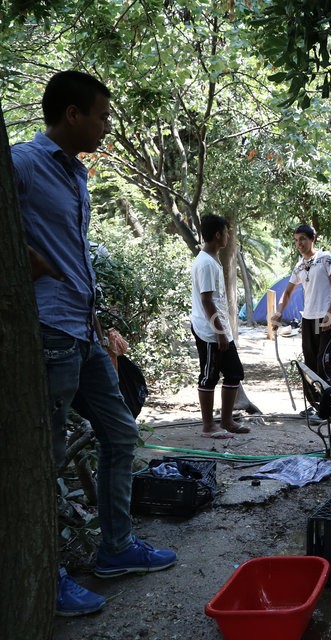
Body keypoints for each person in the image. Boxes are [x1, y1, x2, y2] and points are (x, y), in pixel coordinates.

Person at [14, 70, 176, 617]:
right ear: (73, 114)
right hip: (48, 331)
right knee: (49, 460)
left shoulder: (75, 176)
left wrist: (100, 320)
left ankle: (116, 549)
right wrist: (29, 264)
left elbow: (71, 250)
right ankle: (48, 578)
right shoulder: (22, 164)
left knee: (119, 432)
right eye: (102, 116)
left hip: (82, 331)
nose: (107, 126)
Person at [190, 214, 250, 439]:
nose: (228, 236)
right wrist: (219, 331)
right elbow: (207, 300)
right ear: (217, 234)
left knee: (234, 373)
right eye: (226, 232)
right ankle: (208, 426)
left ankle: (227, 420)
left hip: (219, 329)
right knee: (209, 376)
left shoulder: (211, 260)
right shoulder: (205, 262)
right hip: (210, 332)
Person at [271, 224, 331, 386]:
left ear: (313, 239)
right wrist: (279, 312)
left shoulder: (326, 258)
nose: (299, 243)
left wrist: (330, 313)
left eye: (302, 239)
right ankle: (314, 405)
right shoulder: (299, 266)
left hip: (325, 318)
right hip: (308, 319)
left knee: (325, 362)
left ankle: (328, 406)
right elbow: (287, 292)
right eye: (296, 240)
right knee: (310, 363)